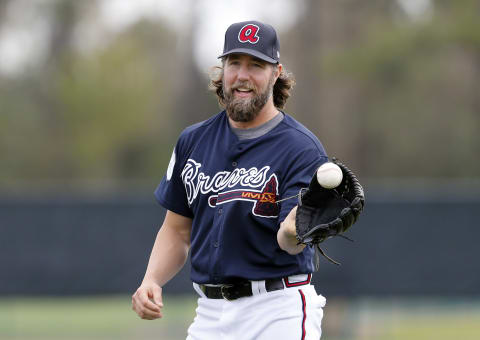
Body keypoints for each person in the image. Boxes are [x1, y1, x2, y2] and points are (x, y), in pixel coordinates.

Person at [132, 20, 329, 339]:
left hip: (277, 311)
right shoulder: (193, 141)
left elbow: (289, 243)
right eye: (234, 63)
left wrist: (296, 230)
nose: (242, 75)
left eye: (256, 65)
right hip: (210, 313)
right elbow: (177, 230)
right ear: (221, 70)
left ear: (276, 72)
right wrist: (151, 280)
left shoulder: (300, 148)